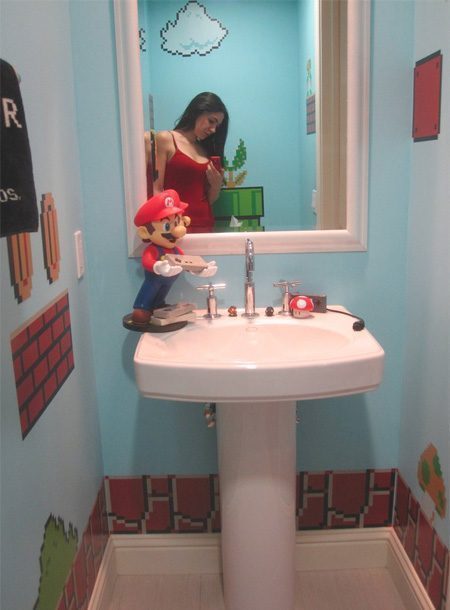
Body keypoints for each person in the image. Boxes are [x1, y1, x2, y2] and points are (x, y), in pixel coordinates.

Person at [152, 92, 229, 233]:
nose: (213, 129)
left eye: (217, 125)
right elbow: (156, 189)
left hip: (205, 223)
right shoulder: (166, 139)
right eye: (211, 121)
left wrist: (216, 186)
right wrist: (164, 227)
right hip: (175, 226)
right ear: (198, 111)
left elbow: (209, 200)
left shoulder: (205, 150)